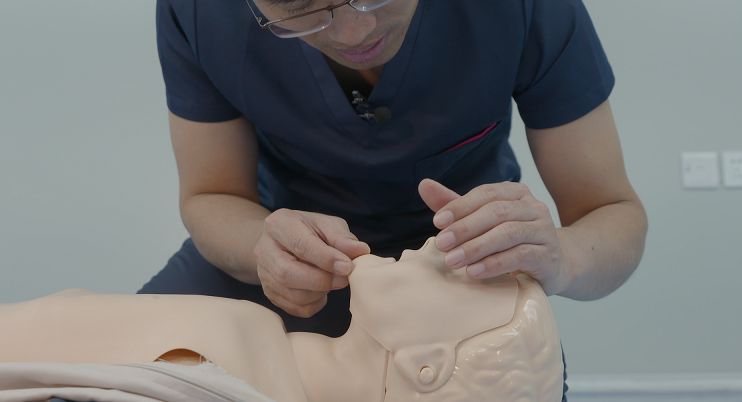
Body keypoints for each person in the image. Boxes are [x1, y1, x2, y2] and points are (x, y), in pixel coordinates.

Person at [139, 0, 648, 398]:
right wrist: (262, 247)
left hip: (464, 266)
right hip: (280, 246)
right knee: (125, 365)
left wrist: (563, 256)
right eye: (296, 5)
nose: (353, 32)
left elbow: (611, 210)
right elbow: (212, 195)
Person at [0, 239, 563, 402]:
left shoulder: (229, 378)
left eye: (470, 280)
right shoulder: (261, 342)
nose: (443, 247)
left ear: (427, 367)